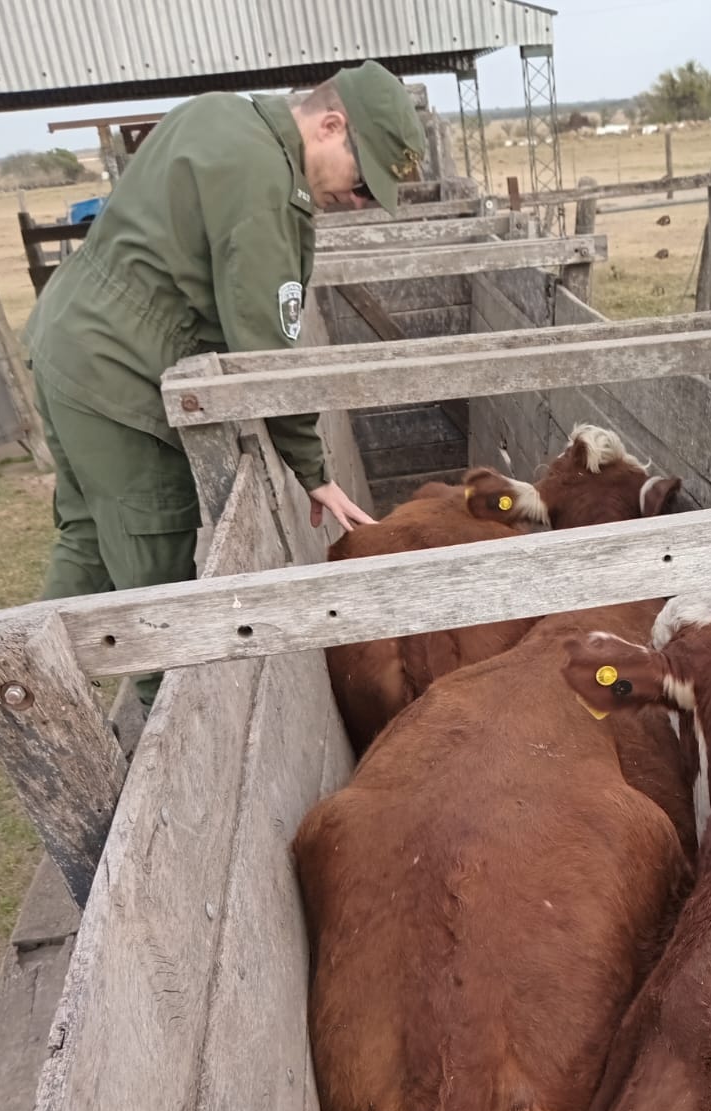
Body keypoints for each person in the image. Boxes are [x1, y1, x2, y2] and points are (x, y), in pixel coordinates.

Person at [26, 61, 427, 704]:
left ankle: (25, 685)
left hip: (71, 345)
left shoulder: (219, 112)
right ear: (331, 125)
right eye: (362, 181)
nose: (356, 201)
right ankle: (161, 733)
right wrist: (312, 467)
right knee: (154, 567)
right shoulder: (265, 180)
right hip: (118, 376)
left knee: (93, 541)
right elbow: (264, 351)